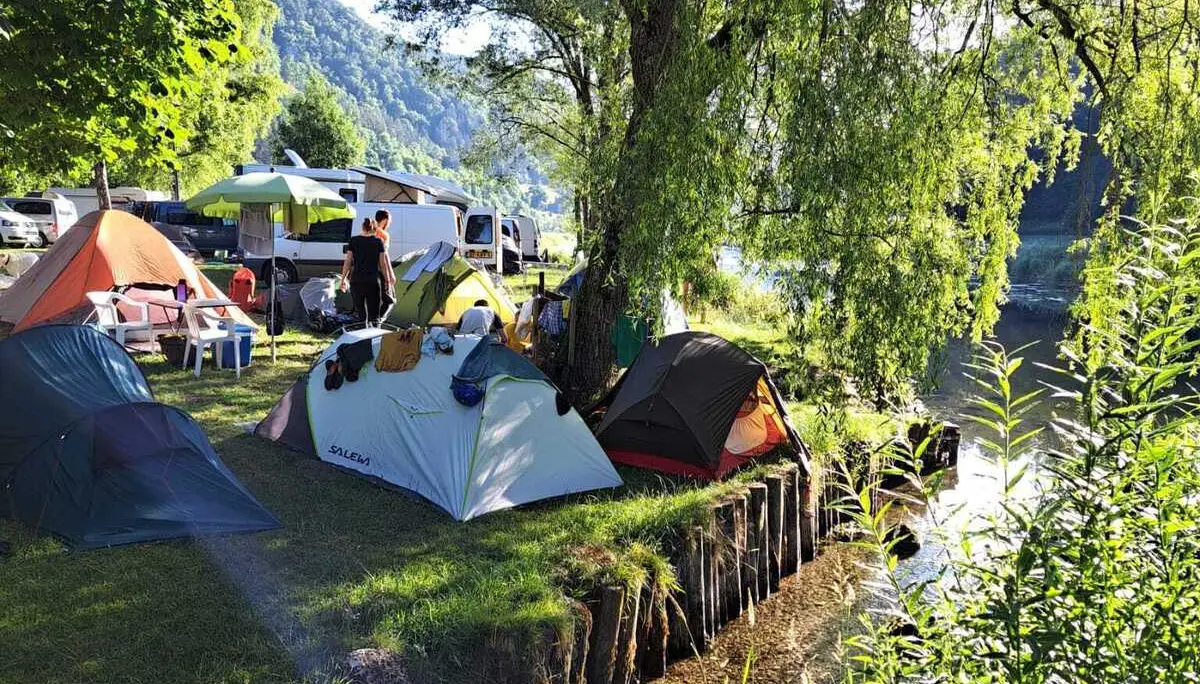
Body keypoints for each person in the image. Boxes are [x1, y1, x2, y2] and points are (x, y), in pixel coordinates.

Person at [340, 218, 394, 326]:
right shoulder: (379, 242)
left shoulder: (354, 240)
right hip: (373, 281)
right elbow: (383, 265)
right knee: (374, 315)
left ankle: (361, 334)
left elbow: (348, 262)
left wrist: (343, 279)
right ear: (375, 230)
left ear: (363, 228)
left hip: (356, 280)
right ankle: (373, 336)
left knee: (361, 313)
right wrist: (387, 281)